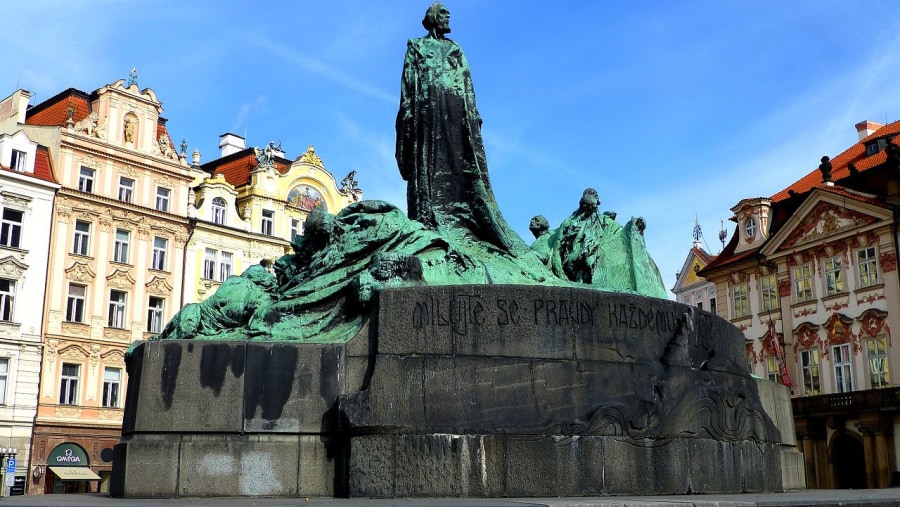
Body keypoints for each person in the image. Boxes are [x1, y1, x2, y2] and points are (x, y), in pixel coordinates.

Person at [395, 2, 527, 256]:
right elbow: (408, 83)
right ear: (433, 18)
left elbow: (467, 84)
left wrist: (473, 114)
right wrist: (409, 111)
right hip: (427, 112)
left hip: (456, 111)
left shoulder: (455, 50)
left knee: (459, 160)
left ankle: (463, 219)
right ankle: (429, 215)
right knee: (428, 161)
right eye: (443, 14)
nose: (447, 18)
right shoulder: (417, 46)